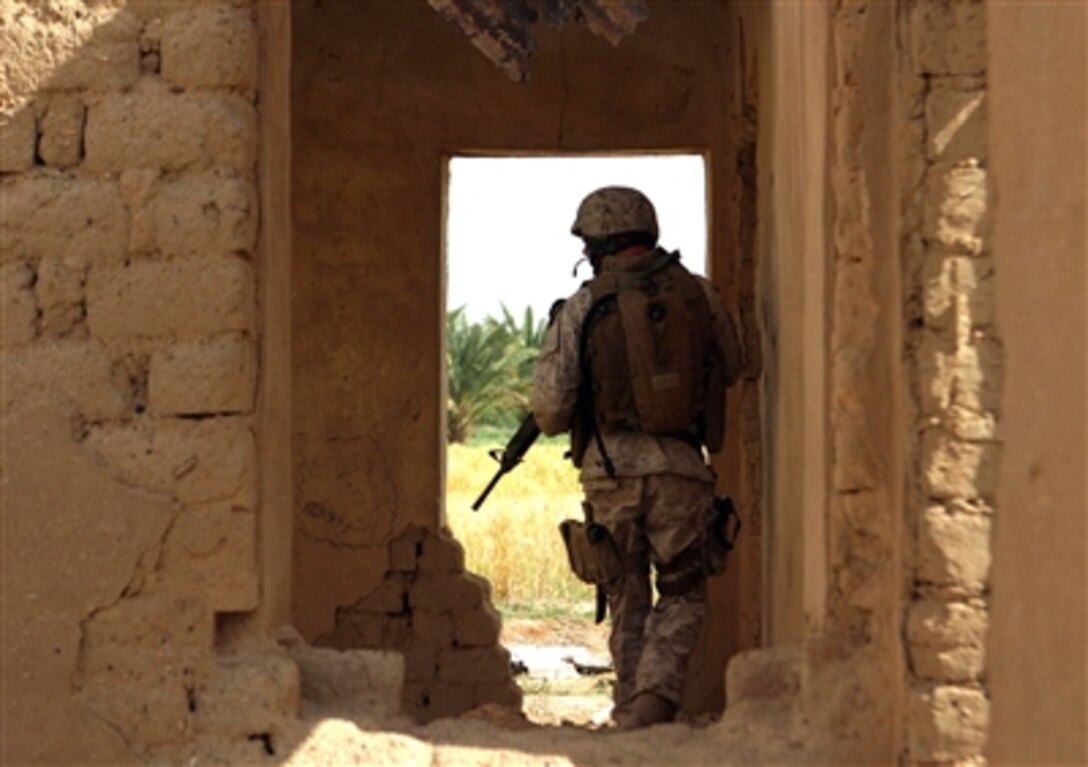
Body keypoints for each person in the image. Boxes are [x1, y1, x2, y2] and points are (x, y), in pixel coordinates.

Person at [532, 186, 744, 730]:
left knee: (626, 593)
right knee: (682, 591)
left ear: (599, 243)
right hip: (682, 470)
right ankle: (654, 703)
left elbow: (552, 410)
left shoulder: (583, 306)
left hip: (611, 473)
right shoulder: (699, 295)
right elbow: (741, 362)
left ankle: (633, 711)